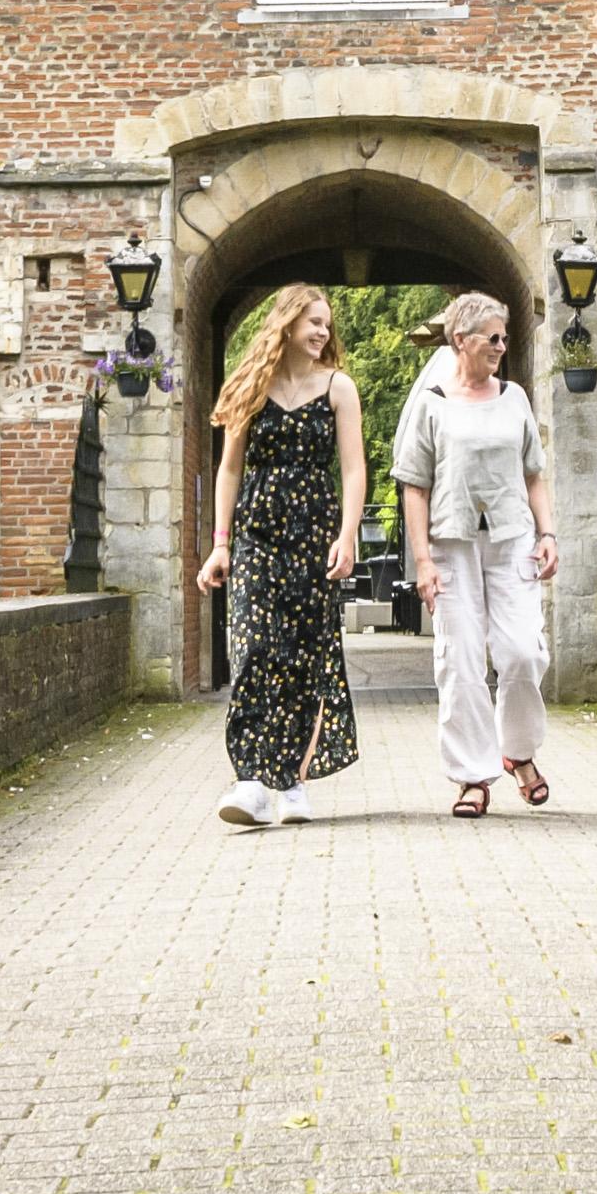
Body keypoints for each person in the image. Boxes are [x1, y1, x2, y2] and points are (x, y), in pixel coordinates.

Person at [197, 282, 364, 829]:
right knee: (251, 650)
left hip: (314, 541)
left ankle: (290, 779)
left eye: (327, 323)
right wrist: (219, 545)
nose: (323, 331)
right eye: (314, 321)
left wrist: (349, 534)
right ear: (288, 323)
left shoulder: (339, 389)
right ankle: (249, 781)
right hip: (256, 539)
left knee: (302, 660)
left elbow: (353, 470)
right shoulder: (250, 386)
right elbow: (229, 470)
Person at [392, 290, 558, 816]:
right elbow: (413, 486)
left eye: (505, 338)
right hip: (450, 544)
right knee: (459, 660)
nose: (502, 347)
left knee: (522, 652)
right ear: (460, 340)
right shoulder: (432, 404)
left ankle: (518, 751)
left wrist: (548, 534)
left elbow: (534, 473)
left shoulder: (515, 399)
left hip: (512, 540)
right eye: (492, 337)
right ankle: (471, 776)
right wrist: (422, 560)